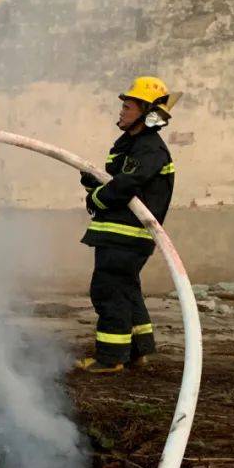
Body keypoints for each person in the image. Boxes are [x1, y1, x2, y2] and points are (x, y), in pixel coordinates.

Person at [76, 76, 178, 374]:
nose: (121, 111)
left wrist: (97, 197)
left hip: (125, 234)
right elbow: (119, 177)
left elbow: (128, 184)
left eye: (128, 106)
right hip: (124, 235)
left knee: (109, 291)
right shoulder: (135, 144)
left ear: (146, 113)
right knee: (127, 289)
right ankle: (137, 350)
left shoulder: (149, 147)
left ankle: (110, 357)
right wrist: (94, 179)